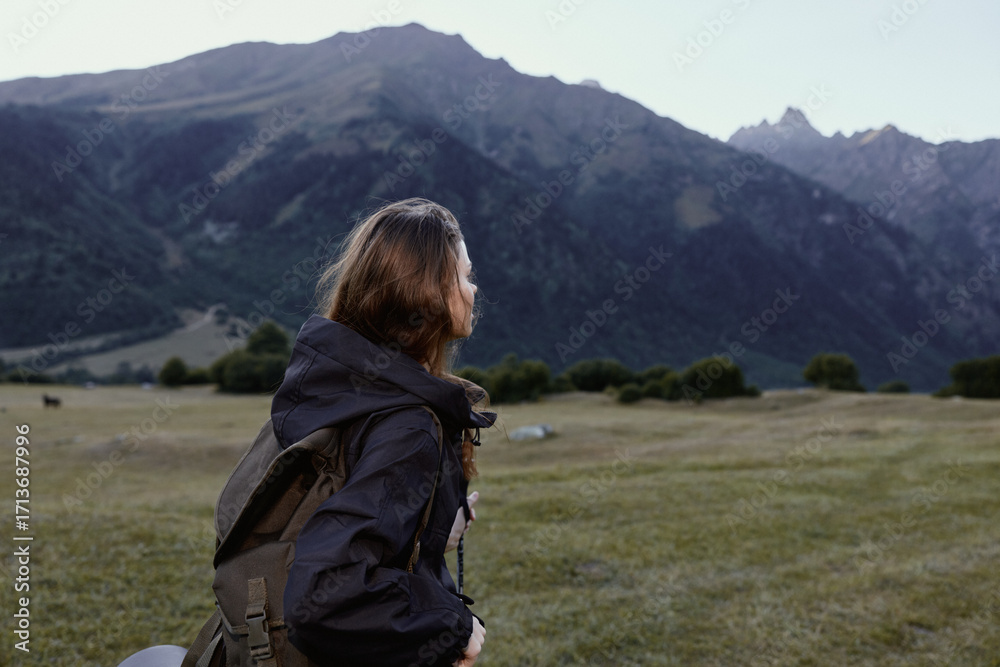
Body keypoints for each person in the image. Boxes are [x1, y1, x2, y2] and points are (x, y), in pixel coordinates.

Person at [273, 198, 496, 666]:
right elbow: (323, 599)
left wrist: (435, 531)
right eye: (465, 276)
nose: (474, 290)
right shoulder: (409, 424)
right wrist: (453, 625)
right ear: (428, 293)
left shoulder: (334, 390)